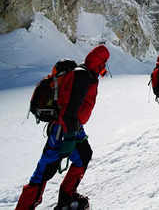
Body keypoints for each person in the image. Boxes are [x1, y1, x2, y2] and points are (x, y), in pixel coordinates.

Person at [16, 45, 110, 210]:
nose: (105, 67)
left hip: (72, 127)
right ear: (100, 62)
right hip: (63, 129)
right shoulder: (83, 76)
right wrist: (70, 137)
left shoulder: (87, 73)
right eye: (104, 63)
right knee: (44, 170)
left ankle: (66, 198)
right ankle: (25, 206)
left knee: (84, 155)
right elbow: (69, 110)